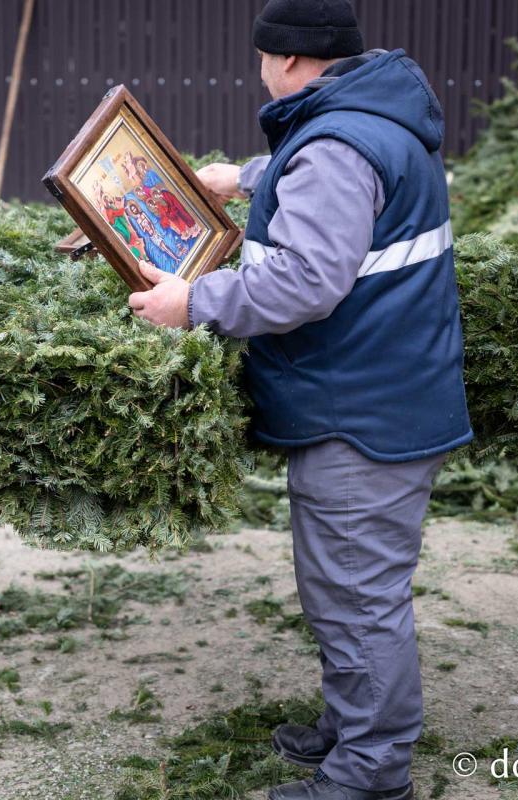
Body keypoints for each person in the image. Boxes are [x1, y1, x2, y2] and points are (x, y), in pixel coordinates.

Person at [126, 1, 473, 798]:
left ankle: (372, 770)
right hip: (382, 395)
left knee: (357, 597)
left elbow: (307, 279)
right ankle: (352, 727)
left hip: (361, 414)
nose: (259, 72)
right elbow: (333, 184)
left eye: (261, 59)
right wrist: (241, 177)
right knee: (341, 588)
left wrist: (193, 302)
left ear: (285, 60)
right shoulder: (376, 118)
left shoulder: (336, 146)